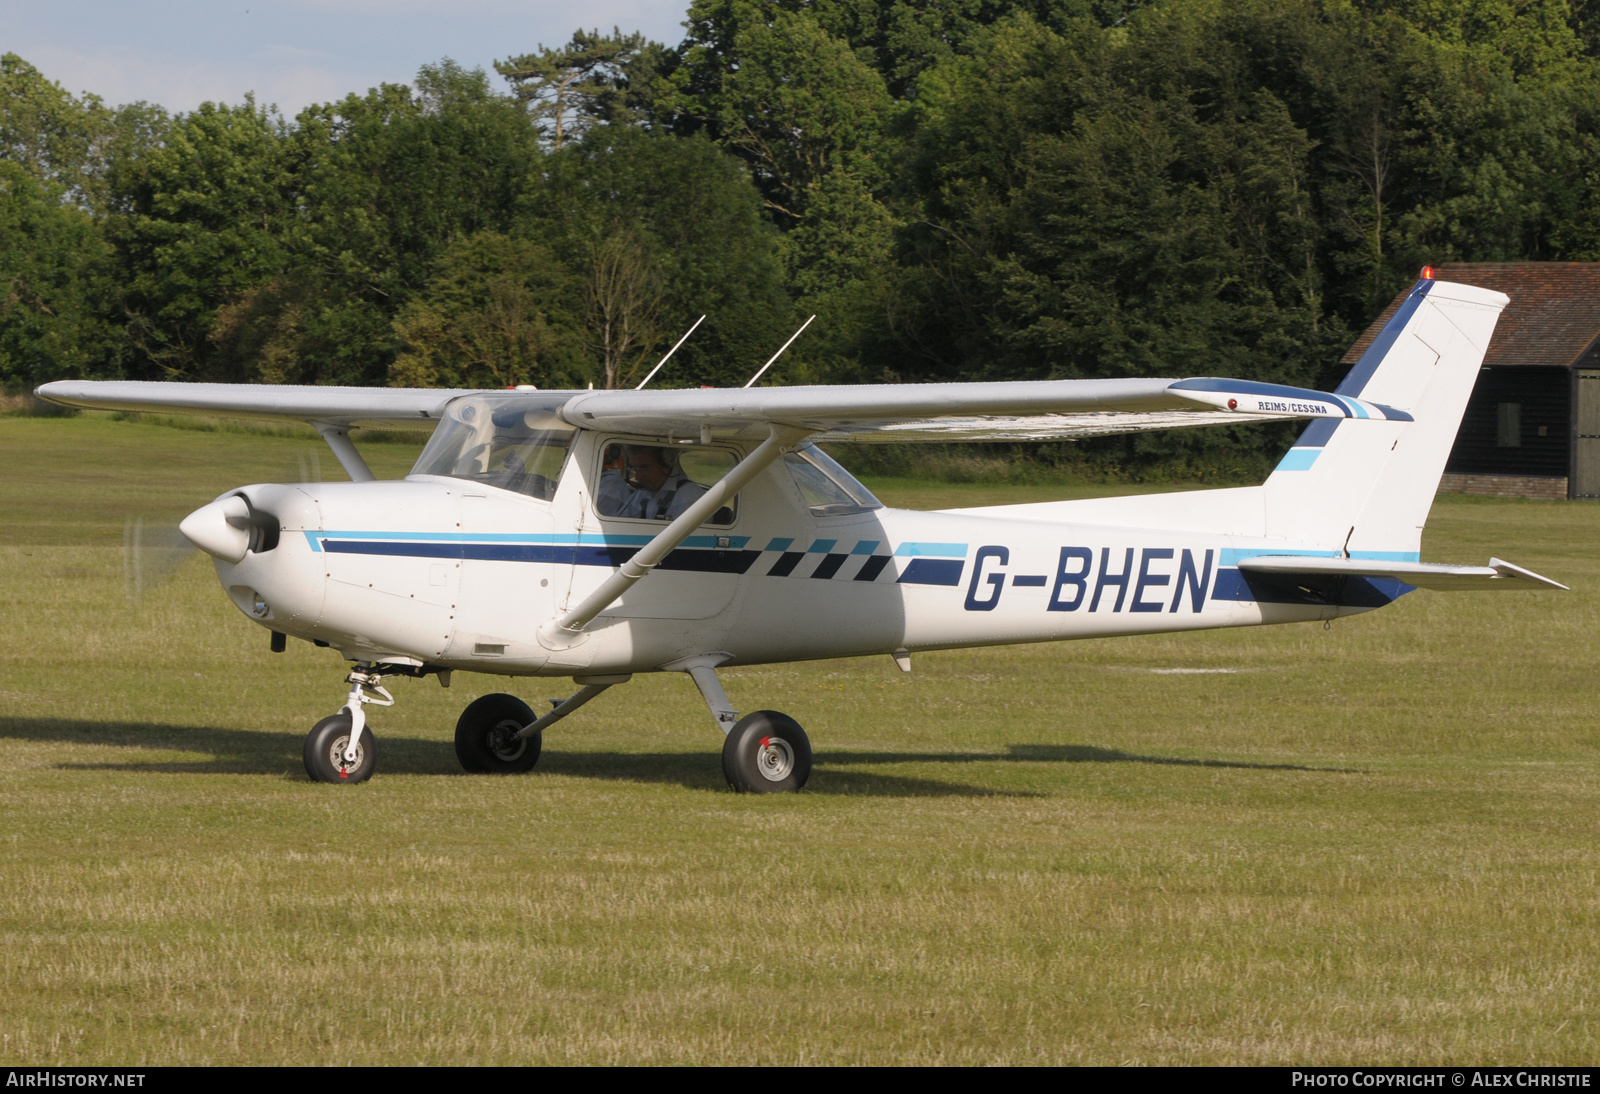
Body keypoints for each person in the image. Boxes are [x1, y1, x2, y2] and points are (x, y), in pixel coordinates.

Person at [619, 445, 707, 520]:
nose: (638, 477)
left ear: (665, 462)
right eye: (633, 468)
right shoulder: (640, 494)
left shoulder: (689, 494)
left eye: (644, 467)